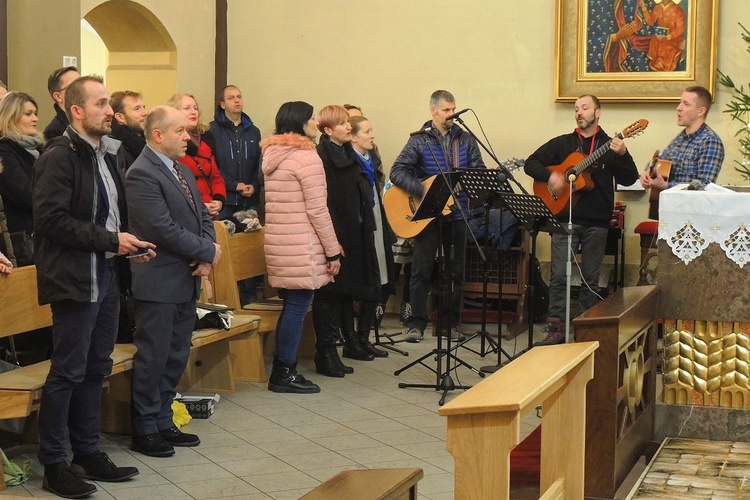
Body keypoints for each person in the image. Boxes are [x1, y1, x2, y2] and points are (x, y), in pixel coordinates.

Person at [33, 75, 153, 498]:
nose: (109, 110)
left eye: (109, 103)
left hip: (105, 273)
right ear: (76, 110)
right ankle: (54, 464)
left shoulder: (105, 154)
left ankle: (87, 451)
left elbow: (111, 216)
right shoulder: (59, 156)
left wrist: (128, 245)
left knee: (96, 367)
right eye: (101, 103)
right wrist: (110, 241)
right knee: (67, 370)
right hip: (73, 276)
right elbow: (50, 221)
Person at [126, 105, 220, 457]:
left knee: (176, 353)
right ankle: (145, 427)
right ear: (158, 135)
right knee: (155, 355)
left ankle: (164, 419)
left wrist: (207, 248)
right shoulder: (142, 173)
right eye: (180, 131)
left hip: (185, 275)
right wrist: (205, 251)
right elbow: (159, 227)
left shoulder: (180, 168)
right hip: (158, 278)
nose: (188, 137)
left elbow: (202, 214)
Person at [524, 94, 639, 345]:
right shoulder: (563, 143)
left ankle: (586, 328)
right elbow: (530, 163)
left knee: (590, 278)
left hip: (597, 221)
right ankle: (556, 329)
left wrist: (624, 154)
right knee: (559, 275)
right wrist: (551, 176)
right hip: (564, 218)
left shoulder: (611, 145)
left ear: (597, 113)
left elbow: (631, 179)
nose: (579, 112)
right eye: (576, 109)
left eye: (585, 108)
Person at [390, 90, 486, 343]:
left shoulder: (465, 140)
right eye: (446, 110)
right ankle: (417, 324)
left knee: (455, 272)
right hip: (426, 216)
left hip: (457, 214)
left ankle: (449, 324)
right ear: (433, 111)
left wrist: (473, 183)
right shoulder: (418, 141)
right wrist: (422, 190)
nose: (451, 114)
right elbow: (397, 172)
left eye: (453, 109)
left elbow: (479, 172)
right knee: (422, 270)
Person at [261, 101, 341, 393]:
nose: (316, 122)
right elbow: (318, 211)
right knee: (297, 307)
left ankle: (283, 369)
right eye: (312, 118)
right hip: (301, 245)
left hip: (281, 243)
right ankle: (284, 372)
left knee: (292, 305)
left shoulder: (273, 154)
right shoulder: (307, 158)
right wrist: (332, 251)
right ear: (300, 123)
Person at [313, 105, 381, 376]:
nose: (348, 127)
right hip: (337, 233)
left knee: (350, 290)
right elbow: (326, 202)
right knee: (330, 295)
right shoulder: (323, 156)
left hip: (356, 230)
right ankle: (326, 352)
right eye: (342, 124)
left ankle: (347, 346)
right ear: (328, 130)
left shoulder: (347, 154)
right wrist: (333, 240)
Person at [349, 115, 393, 357]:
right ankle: (351, 341)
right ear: (353, 136)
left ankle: (364, 336)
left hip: (376, 218)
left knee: (378, 281)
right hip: (359, 225)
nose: (372, 135)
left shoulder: (372, 157)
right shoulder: (349, 161)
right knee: (362, 281)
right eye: (366, 131)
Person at [640, 86, 724, 191]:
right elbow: (660, 161)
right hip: (668, 205)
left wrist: (667, 186)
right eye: (680, 102)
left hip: (691, 207)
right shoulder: (680, 139)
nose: (679, 108)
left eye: (686, 104)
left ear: (701, 111)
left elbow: (704, 184)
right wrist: (647, 174)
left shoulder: (710, 141)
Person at [0, 92, 44, 266]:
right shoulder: (4, 150)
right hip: (22, 238)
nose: (35, 119)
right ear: (11, 116)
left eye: (35, 113)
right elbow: (25, 194)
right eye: (28, 114)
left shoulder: (41, 148)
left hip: (43, 234)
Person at [167, 93, 226, 219]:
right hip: (189, 213)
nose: (193, 112)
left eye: (195, 108)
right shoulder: (172, 145)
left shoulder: (206, 140)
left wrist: (219, 200)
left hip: (211, 212)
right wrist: (200, 205)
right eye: (187, 108)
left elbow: (216, 177)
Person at [209, 85, 262, 220]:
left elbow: (259, 164)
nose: (237, 101)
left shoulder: (254, 132)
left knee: (250, 241)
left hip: (250, 201)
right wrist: (234, 185)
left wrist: (254, 186)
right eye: (231, 98)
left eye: (239, 97)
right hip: (226, 201)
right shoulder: (212, 131)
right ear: (223, 104)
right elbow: (212, 166)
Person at [109, 90, 148, 173]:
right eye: (137, 109)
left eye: (144, 107)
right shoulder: (115, 149)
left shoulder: (146, 141)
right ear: (120, 117)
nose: (145, 113)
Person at [43, 66, 80, 141]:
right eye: (74, 86)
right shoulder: (53, 132)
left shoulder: (91, 120)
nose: (82, 90)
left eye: (83, 84)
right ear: (58, 96)